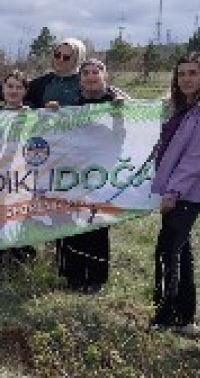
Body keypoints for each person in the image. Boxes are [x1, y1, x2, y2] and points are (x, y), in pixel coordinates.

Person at [149, 55, 200, 334]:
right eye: (181, 73)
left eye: (192, 73)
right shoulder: (184, 108)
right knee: (180, 251)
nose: (186, 79)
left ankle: (165, 317)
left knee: (167, 251)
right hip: (178, 190)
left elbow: (197, 158)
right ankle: (184, 318)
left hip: (188, 192)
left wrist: (173, 191)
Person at [54, 58, 125, 294]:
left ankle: (95, 278)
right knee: (72, 221)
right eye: (86, 73)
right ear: (80, 79)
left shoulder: (117, 101)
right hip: (74, 172)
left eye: (96, 72)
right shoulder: (73, 104)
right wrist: (52, 114)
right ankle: (73, 276)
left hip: (103, 172)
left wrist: (121, 110)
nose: (91, 76)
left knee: (97, 224)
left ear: (104, 76)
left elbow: (125, 133)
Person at [0, 70, 37, 270]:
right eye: (10, 86)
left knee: (22, 215)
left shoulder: (35, 115)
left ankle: (22, 260)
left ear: (25, 91)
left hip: (25, 176)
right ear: (3, 89)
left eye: (18, 87)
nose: (13, 91)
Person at [0, 38, 87, 108]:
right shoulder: (44, 82)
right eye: (57, 55)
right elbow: (16, 92)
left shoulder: (84, 82)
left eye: (66, 57)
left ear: (77, 59)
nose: (60, 60)